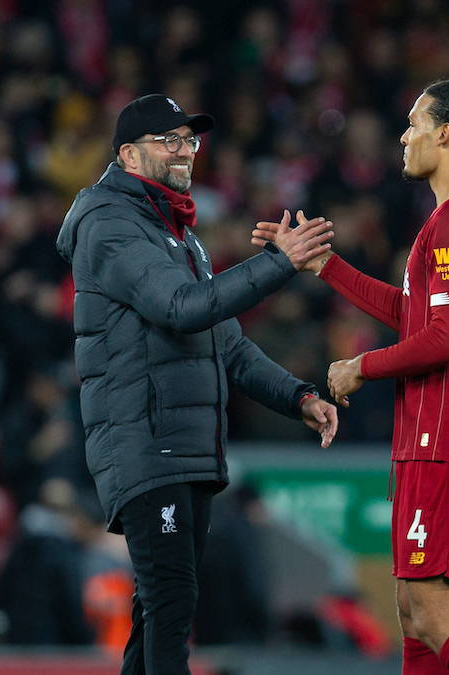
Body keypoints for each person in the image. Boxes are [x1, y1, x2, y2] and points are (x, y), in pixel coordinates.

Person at [55, 93, 340, 675]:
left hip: (185, 446)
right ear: (130, 155)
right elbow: (182, 308)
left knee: (161, 606)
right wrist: (279, 263)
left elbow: (225, 343)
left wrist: (298, 396)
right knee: (171, 600)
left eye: (190, 140)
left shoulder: (177, 232)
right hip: (147, 443)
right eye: (170, 141)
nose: (185, 151)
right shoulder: (110, 224)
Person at [254, 76, 449, 674]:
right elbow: (417, 316)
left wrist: (360, 367)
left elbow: (446, 341)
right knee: (411, 610)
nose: (404, 136)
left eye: (415, 123)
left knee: (434, 613)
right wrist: (326, 266)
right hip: (444, 437)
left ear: (446, 133)